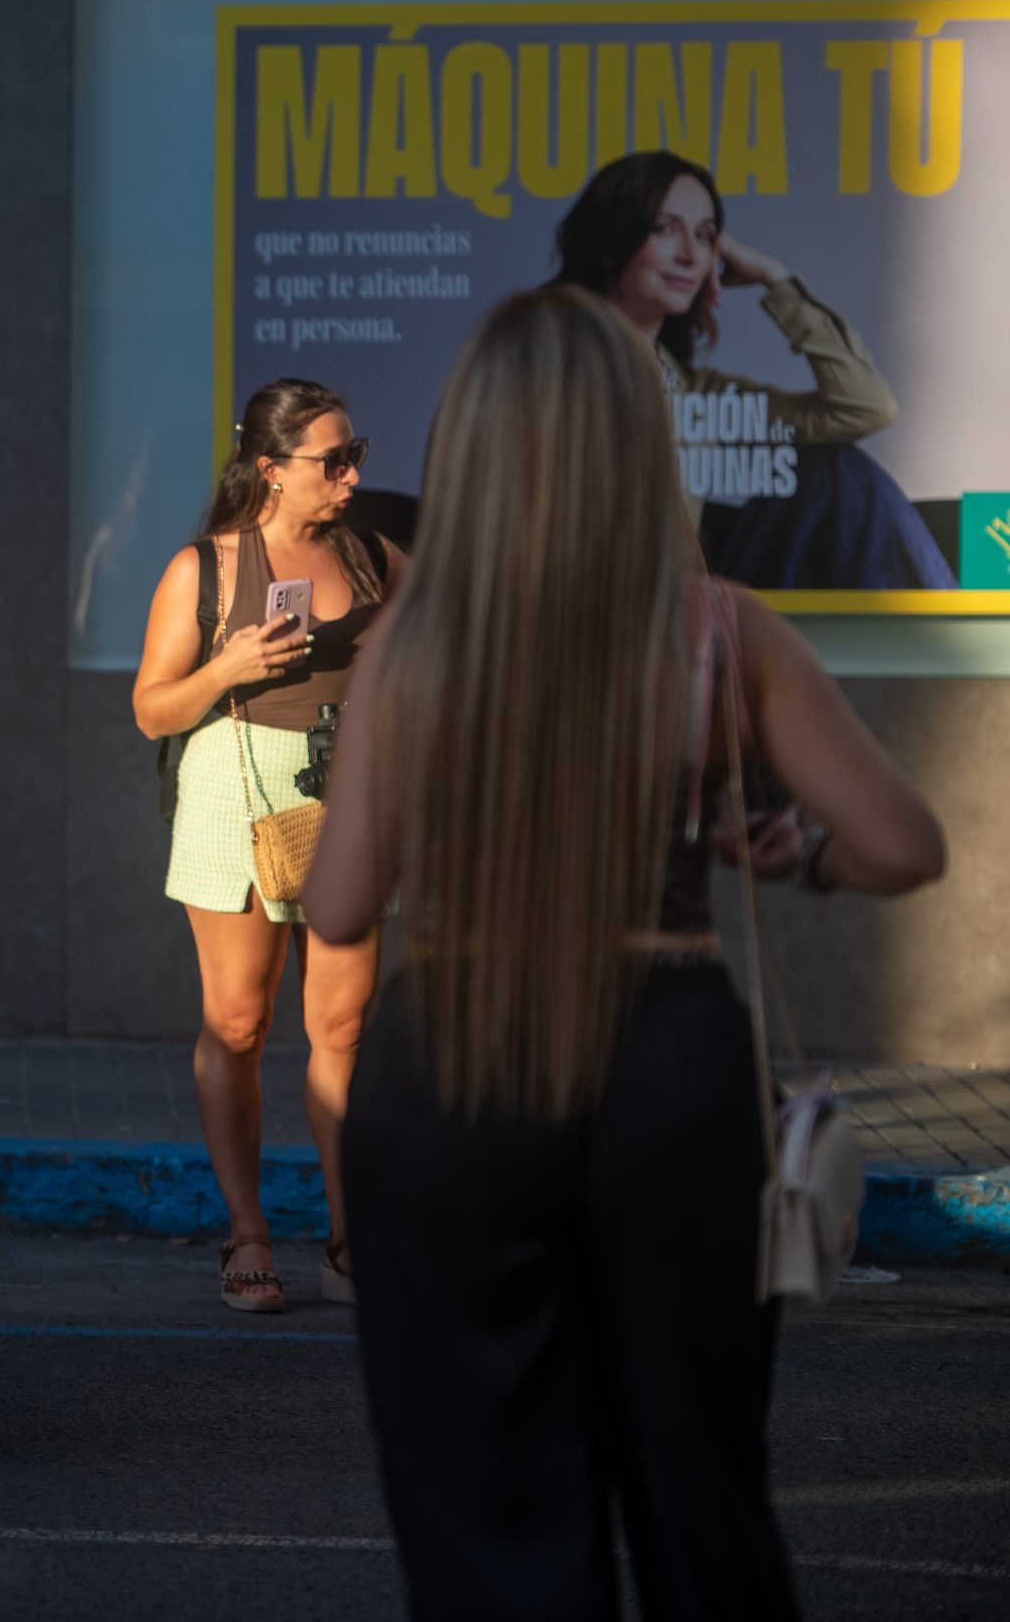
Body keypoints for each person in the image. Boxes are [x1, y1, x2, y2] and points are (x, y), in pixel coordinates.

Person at [306, 286, 945, 1619]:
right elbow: (900, 839)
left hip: (454, 1060)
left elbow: (342, 910)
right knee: (697, 1482)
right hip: (670, 1058)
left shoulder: (414, 646)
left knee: (484, 1501)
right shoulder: (719, 627)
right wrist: (798, 853)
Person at [131, 379, 405, 1312]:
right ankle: (247, 1231)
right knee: (239, 1022)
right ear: (268, 470)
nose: (351, 473)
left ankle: (347, 1234)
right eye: (332, 459)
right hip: (233, 787)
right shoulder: (202, 568)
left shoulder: (369, 553)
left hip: (347, 793)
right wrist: (229, 666)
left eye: (352, 450)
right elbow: (150, 709)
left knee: (344, 1027)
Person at [551, 149, 951, 589]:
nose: (689, 254)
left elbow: (863, 407)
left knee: (836, 471)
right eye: (665, 229)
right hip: (596, 608)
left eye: (705, 236)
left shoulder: (695, 392)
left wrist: (775, 280)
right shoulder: (545, 361)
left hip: (701, 607)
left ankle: (948, 647)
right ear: (610, 242)